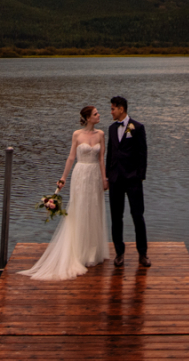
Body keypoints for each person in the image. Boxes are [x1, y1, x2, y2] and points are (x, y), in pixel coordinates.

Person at [18, 105, 107, 280]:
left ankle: (92, 252)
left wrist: (105, 178)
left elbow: (102, 157)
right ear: (88, 118)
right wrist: (63, 178)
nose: (99, 115)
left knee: (94, 210)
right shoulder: (76, 134)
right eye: (96, 114)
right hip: (80, 175)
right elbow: (71, 157)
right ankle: (78, 251)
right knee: (80, 209)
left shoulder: (101, 134)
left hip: (95, 174)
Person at [105, 95, 148, 267]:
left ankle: (143, 254)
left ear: (121, 109)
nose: (111, 112)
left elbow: (142, 154)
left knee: (137, 216)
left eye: (113, 108)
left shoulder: (137, 127)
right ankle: (119, 253)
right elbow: (110, 154)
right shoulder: (111, 129)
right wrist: (108, 176)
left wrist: (140, 176)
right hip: (115, 180)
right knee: (116, 217)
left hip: (133, 180)